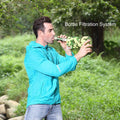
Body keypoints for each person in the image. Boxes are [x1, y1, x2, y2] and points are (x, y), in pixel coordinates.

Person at [24, 16, 92, 120]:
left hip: (55, 103)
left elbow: (70, 65)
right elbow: (55, 70)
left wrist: (67, 49)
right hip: (38, 103)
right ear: (40, 33)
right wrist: (78, 55)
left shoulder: (51, 51)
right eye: (50, 30)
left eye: (53, 30)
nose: (54, 33)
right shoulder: (33, 53)